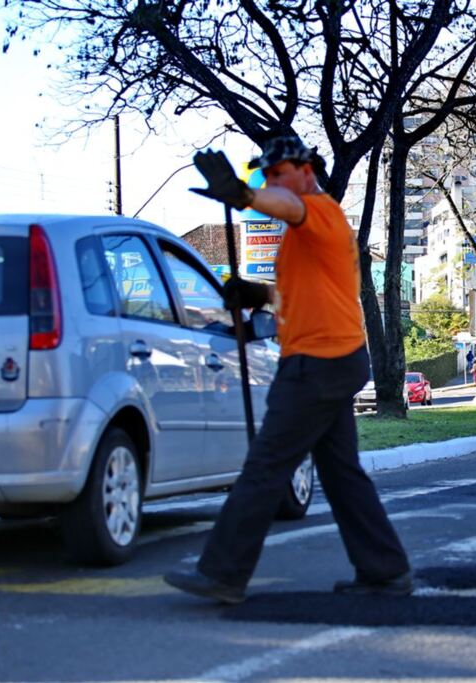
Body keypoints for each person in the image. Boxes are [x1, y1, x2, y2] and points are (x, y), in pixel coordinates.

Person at [164, 135, 411, 603]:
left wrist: (244, 195)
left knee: (265, 464)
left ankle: (223, 571)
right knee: (341, 473)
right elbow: (298, 294)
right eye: (267, 176)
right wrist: (254, 295)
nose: (273, 182)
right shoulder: (307, 236)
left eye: (280, 174)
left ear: (306, 171)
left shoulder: (316, 211)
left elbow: (283, 205)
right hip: (334, 359)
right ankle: (385, 571)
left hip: (318, 364)